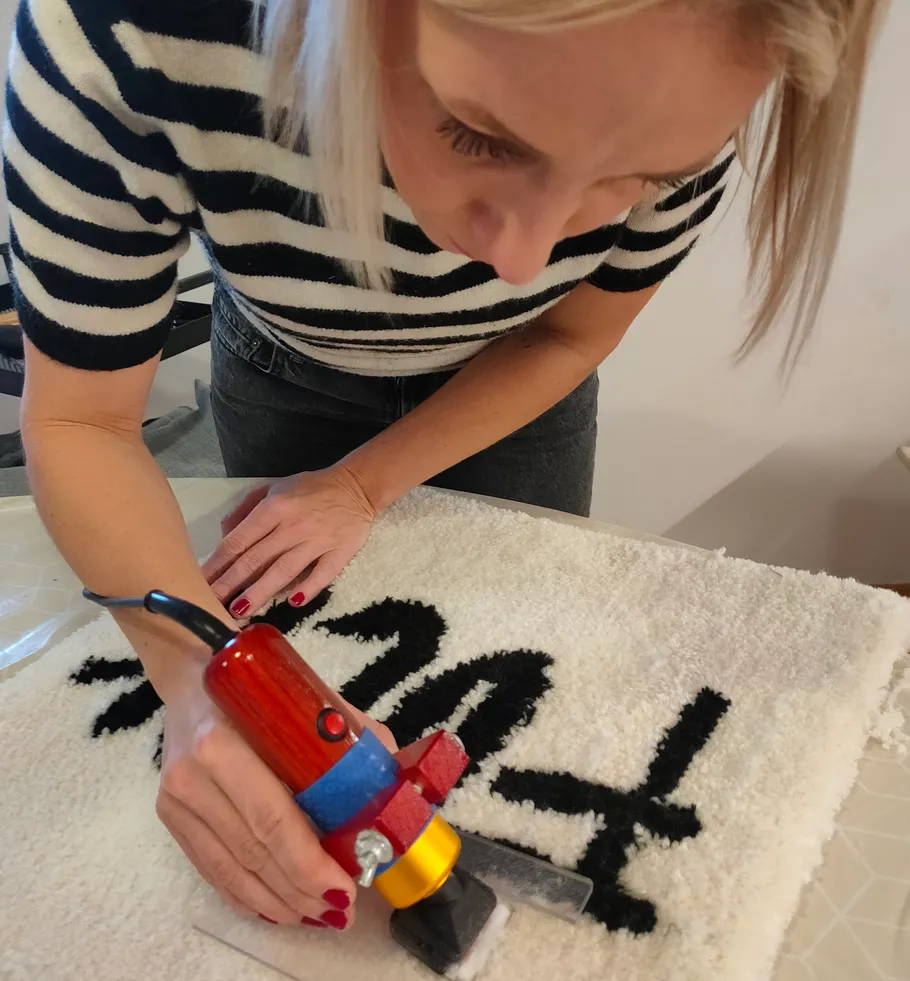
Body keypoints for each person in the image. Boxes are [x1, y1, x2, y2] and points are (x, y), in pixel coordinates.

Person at [4, 0, 883, 935]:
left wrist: (362, 485)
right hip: (279, 368)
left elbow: (566, 330)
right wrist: (199, 684)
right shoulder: (122, 27)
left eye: (638, 179)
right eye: (477, 135)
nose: (523, 256)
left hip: (515, 385)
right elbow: (80, 420)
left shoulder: (711, 73)